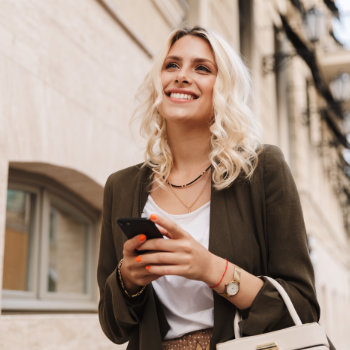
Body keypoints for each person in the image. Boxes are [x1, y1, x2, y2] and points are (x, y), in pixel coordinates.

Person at [97, 26, 320, 350]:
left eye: (202, 68)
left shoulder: (262, 170)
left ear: (224, 88)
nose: (182, 76)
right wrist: (128, 279)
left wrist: (211, 269)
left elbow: (302, 307)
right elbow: (114, 327)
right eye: (172, 65)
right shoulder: (122, 186)